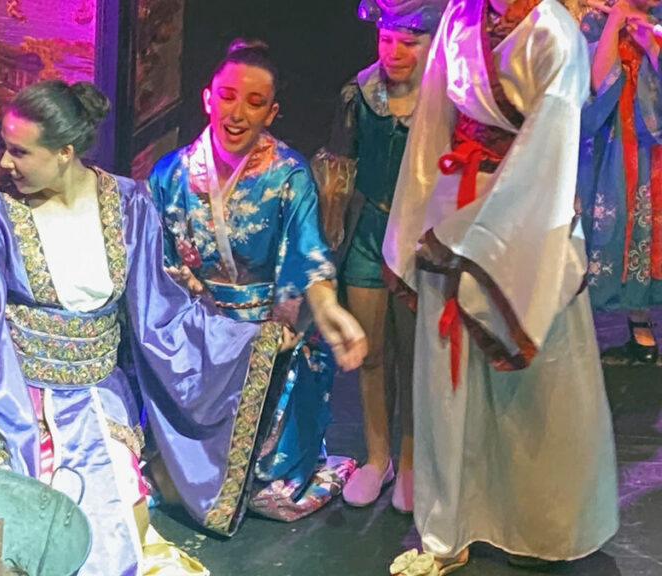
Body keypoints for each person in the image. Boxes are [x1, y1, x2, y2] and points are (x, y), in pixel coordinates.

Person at [0, 79, 364, 576]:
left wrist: (251, 340)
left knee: (108, 530)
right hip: (10, 390)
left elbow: (161, 313)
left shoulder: (129, 203)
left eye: (20, 152)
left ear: (64, 152)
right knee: (2, 522)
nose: (5, 162)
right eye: (6, 148)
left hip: (96, 395)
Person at [383, 0, 618, 573]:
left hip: (528, 220)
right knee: (447, 381)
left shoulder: (554, 33)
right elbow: (431, 125)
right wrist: (411, 224)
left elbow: (550, 153)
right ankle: (449, 528)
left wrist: (479, 240)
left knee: (530, 387)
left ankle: (538, 527)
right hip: (451, 208)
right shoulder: (460, 17)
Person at [148, 39, 367, 522]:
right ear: (208, 98)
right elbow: (155, 263)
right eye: (227, 97)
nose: (237, 114)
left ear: (272, 112)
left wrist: (327, 307)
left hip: (265, 331)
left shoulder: (288, 175)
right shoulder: (170, 174)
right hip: (197, 331)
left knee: (269, 486)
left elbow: (308, 254)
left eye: (254, 102)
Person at [311, 0, 445, 513]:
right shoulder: (360, 93)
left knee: (413, 355)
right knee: (369, 351)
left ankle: (410, 460)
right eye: (387, 40)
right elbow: (339, 166)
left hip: (420, 238)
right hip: (371, 231)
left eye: (408, 42)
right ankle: (377, 457)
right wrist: (331, 228)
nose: (395, 53)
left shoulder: (445, 95)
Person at [578, 0, 662, 365]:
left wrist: (652, 44)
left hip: (655, 146)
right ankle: (591, 334)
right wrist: (615, 19)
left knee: (650, 232)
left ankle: (643, 329)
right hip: (615, 142)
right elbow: (597, 84)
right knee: (616, 226)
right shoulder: (596, 20)